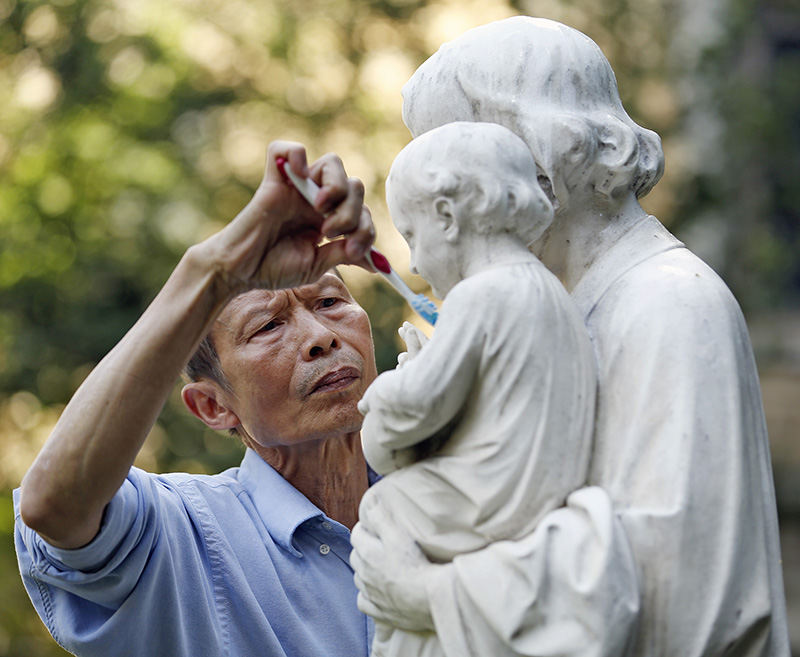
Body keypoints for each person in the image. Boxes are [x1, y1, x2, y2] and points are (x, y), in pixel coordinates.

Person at [351, 16, 791, 657]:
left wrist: (429, 592)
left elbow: (680, 593)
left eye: (448, 156)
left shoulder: (669, 302)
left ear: (537, 154)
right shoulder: (547, 304)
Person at [14, 141, 379, 657]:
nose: (320, 334)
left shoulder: (456, 492)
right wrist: (216, 270)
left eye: (330, 301)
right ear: (213, 407)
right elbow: (54, 504)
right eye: (268, 325)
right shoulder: (185, 536)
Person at [356, 121, 617, 657]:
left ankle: (413, 628)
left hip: (495, 495)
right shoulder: (547, 290)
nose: (416, 264)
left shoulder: (482, 296)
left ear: (448, 217)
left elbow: (412, 410)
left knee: (384, 505)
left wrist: (386, 392)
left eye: (413, 236)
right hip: (541, 489)